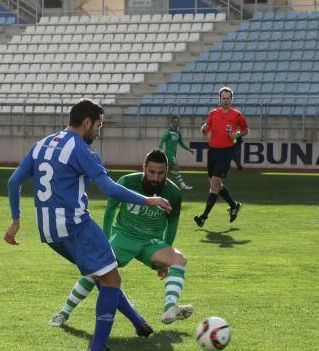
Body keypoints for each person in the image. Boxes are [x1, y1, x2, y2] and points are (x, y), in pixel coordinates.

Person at [4, 98, 172, 351]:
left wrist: (16, 221)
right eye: (98, 125)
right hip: (76, 225)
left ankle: (138, 321)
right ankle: (98, 350)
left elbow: (14, 182)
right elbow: (109, 189)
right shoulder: (81, 149)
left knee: (102, 274)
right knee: (111, 279)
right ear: (86, 123)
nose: (98, 131)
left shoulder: (42, 144)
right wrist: (148, 199)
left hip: (48, 231)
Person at [49, 149, 192, 328]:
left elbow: (172, 225)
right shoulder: (127, 181)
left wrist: (165, 259)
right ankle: (64, 313)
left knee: (179, 258)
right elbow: (110, 210)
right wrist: (105, 241)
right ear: (144, 168)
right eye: (151, 172)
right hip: (124, 236)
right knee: (96, 268)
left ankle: (170, 308)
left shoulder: (174, 193)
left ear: (167, 171)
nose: (155, 177)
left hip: (151, 242)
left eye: (161, 173)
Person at [194, 86, 247, 228]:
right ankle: (234, 205)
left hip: (226, 152)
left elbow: (245, 130)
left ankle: (203, 217)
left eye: (228, 98)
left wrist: (236, 135)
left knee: (214, 185)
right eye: (223, 98)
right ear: (220, 99)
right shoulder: (213, 113)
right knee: (214, 183)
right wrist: (203, 128)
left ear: (232, 99)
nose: (225, 100)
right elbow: (206, 128)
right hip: (213, 152)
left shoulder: (237, 115)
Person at [158, 115, 193, 190]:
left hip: (173, 153)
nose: (176, 123)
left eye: (177, 121)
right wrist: (159, 149)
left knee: (168, 169)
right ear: (171, 122)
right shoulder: (168, 132)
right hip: (169, 152)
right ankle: (182, 185)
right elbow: (162, 141)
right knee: (176, 167)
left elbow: (181, 143)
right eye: (174, 121)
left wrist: (189, 149)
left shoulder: (178, 133)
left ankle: (160, 183)